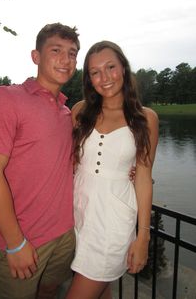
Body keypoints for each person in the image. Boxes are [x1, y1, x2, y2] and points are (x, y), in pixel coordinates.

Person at [0, 23, 80, 299]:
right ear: (36, 56)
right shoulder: (5, 99)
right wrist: (15, 242)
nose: (66, 60)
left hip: (66, 234)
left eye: (72, 53)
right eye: (56, 50)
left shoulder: (66, 112)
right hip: (24, 237)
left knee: (49, 291)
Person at [65, 41, 159, 299]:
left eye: (110, 67)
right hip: (80, 214)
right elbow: (70, 162)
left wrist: (143, 238)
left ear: (124, 69)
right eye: (95, 72)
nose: (104, 77)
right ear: (89, 79)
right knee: (101, 287)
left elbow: (143, 178)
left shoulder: (145, 118)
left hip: (113, 222)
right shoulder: (80, 111)